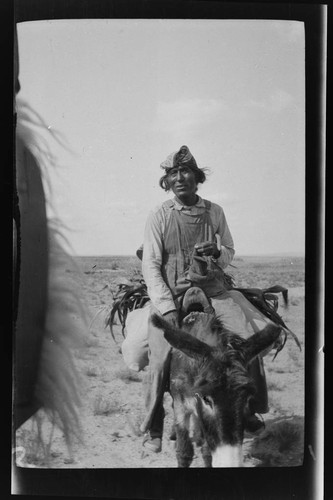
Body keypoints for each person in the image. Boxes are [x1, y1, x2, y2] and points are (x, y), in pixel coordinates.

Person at [122, 145, 279, 453]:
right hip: (173, 293)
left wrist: (218, 253)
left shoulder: (215, 211)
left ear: (197, 177)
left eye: (186, 172)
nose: (180, 178)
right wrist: (166, 308)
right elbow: (151, 264)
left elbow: (230, 250)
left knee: (250, 341)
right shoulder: (159, 215)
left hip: (214, 291)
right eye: (173, 174)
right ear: (167, 182)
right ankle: (155, 422)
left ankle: (246, 409)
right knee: (159, 356)